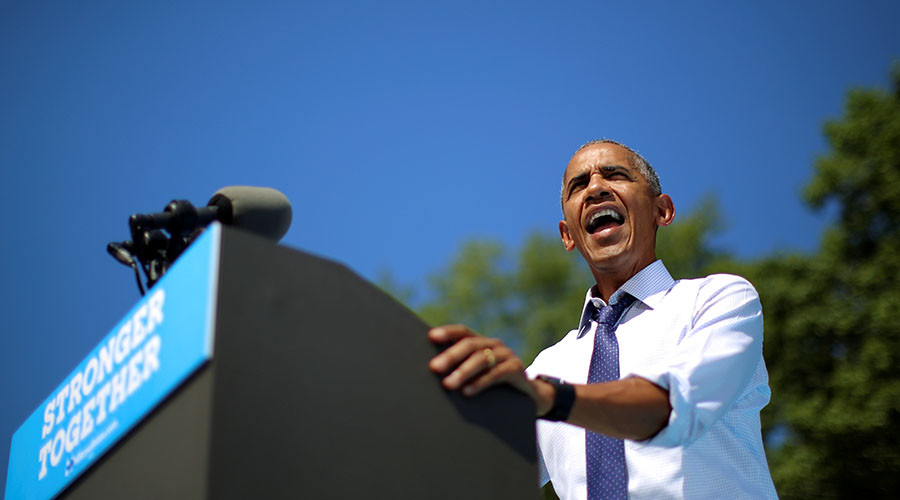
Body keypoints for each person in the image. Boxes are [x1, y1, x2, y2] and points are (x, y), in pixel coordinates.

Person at [428, 139, 778, 499]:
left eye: (615, 175)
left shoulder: (718, 301)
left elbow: (671, 408)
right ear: (567, 235)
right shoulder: (546, 367)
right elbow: (482, 479)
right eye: (579, 185)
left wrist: (553, 397)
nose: (595, 188)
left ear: (663, 211)